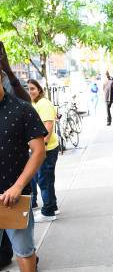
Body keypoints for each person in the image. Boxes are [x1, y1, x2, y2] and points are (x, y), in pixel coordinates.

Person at [0, 69, 47, 272]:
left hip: (14, 197)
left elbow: (38, 151)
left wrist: (18, 186)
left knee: (23, 248)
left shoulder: (22, 110)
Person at [27, 79, 59, 222]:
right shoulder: (36, 103)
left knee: (44, 180)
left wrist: (42, 146)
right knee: (47, 179)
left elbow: (48, 126)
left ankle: (48, 212)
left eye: (33, 88)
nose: (30, 91)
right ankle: (52, 206)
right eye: (28, 89)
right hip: (45, 148)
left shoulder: (43, 104)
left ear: (39, 89)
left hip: (47, 149)